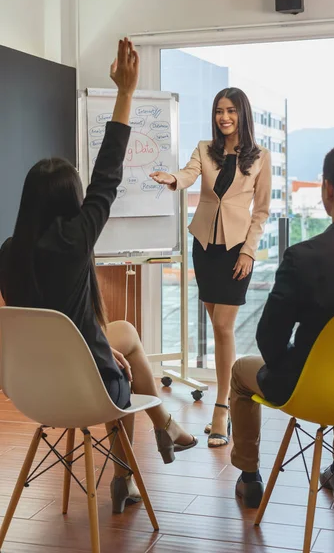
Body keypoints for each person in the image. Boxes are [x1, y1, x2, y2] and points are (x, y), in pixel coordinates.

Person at [0, 38, 197, 515]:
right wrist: (125, 93)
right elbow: (107, 174)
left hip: (33, 388)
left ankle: (163, 427)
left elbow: (54, 324)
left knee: (124, 334)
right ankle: (132, 467)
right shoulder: (73, 242)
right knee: (122, 357)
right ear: (71, 202)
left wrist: (99, 345)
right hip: (84, 387)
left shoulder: (8, 252)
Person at [230, 143, 334, 508]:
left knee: (239, 373)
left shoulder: (304, 257)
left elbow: (269, 340)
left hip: (310, 388)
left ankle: (249, 478)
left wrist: (295, 361)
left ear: (328, 190)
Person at [150, 88, 271, 448]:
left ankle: (223, 406)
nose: (224, 117)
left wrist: (249, 252)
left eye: (231, 110)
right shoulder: (205, 149)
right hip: (204, 246)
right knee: (218, 331)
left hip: (237, 251)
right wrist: (172, 179)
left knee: (223, 326)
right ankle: (227, 405)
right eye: (219, 110)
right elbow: (187, 176)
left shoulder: (261, 157)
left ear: (242, 115)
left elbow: (261, 211)